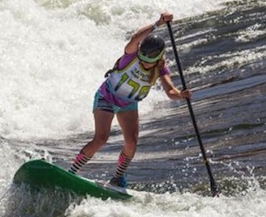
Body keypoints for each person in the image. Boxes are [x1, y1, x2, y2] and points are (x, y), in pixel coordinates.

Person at [67, 12, 190, 192]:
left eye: (149, 63)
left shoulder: (160, 68)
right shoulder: (131, 55)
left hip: (128, 104)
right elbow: (135, 37)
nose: (144, 64)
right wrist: (158, 23)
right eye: (143, 59)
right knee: (101, 138)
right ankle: (72, 172)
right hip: (106, 96)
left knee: (131, 142)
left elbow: (170, 91)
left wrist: (181, 95)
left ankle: (117, 179)